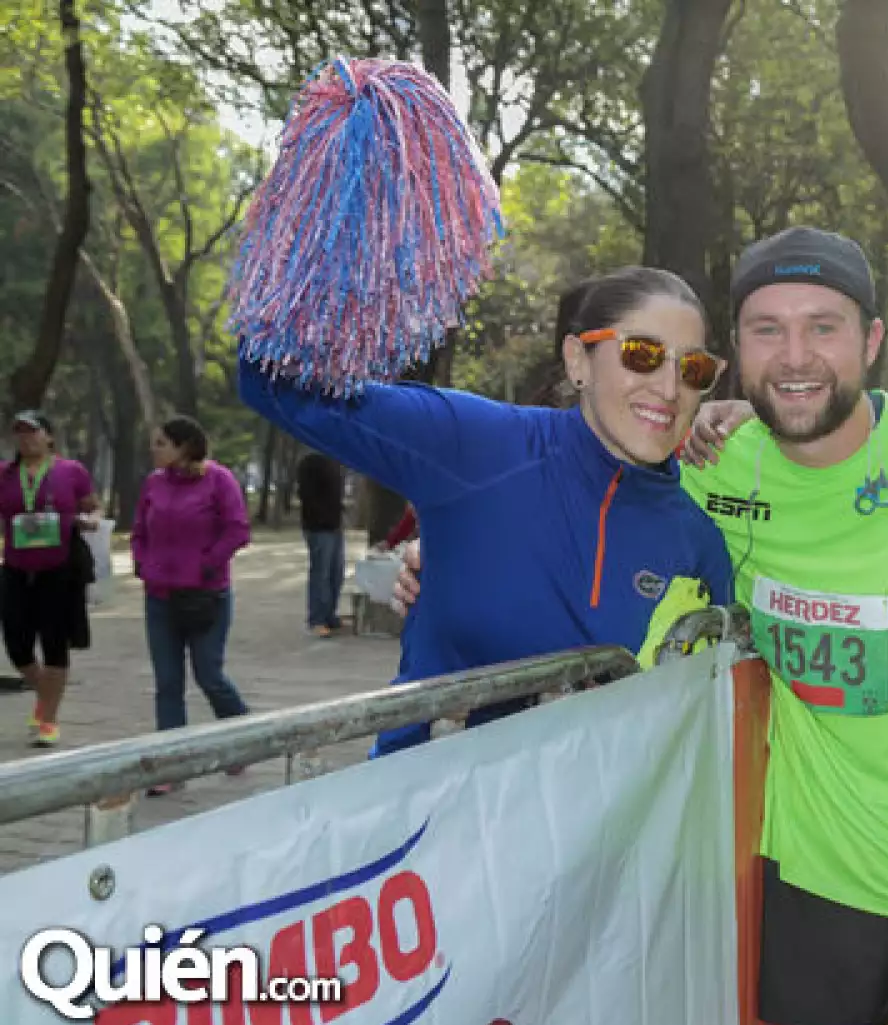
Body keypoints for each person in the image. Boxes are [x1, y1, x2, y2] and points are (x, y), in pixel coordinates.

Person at [401, 230, 888, 1025]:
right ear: (734, 356)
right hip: (824, 866)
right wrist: (447, 559)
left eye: (824, 326)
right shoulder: (712, 466)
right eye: (767, 329)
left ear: (871, 341)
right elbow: (583, 506)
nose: (795, 355)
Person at [241, 266, 734, 757]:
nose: (671, 389)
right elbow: (270, 382)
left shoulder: (699, 542)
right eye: (642, 354)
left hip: (611, 827)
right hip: (434, 815)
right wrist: (335, 242)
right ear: (577, 359)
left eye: (693, 369)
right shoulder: (477, 444)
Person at [131, 417, 252, 794]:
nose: (154, 449)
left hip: (205, 596)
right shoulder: (154, 483)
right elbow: (139, 531)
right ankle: (172, 767)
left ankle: (244, 739)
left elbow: (238, 529)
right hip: (161, 598)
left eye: (161, 443)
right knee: (167, 683)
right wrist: (142, 563)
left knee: (209, 675)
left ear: (184, 447)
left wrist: (206, 564)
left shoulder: (219, 479)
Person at [0, 410, 100, 748]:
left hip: (59, 568)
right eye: (20, 433)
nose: (26, 439)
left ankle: (49, 718)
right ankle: (45, 697)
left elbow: (92, 506)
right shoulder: (6, 474)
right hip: (16, 567)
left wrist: (88, 519)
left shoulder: (71, 471)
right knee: (16, 644)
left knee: (55, 641)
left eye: (33, 432)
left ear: (49, 437)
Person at [296, 451, 346, 638]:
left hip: (335, 525)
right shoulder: (310, 462)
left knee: (336, 572)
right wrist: (321, 517)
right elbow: (306, 495)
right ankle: (317, 619)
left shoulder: (334, 460)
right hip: (318, 527)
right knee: (321, 573)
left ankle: (329, 614)